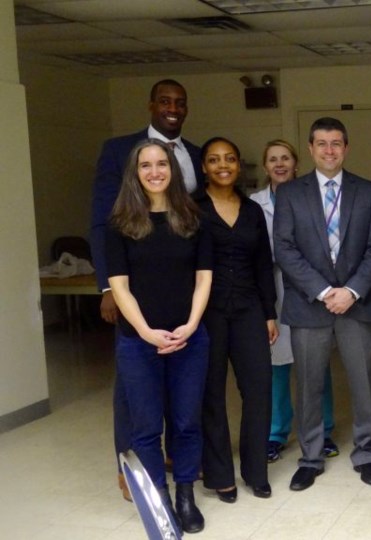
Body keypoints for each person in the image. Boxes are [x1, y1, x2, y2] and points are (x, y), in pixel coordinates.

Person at [90, 79, 203, 501]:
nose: (173, 108)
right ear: (151, 105)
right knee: (133, 396)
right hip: (132, 292)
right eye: (165, 101)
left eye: (180, 102)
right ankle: (130, 469)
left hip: (181, 290)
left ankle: (180, 468)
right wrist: (107, 286)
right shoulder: (120, 149)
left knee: (183, 395)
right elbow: (103, 222)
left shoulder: (193, 154)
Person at [274, 117, 371, 490]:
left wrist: (350, 291)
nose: (329, 150)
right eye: (321, 143)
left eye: (336, 143)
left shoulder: (368, 192)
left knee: (364, 382)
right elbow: (284, 249)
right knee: (307, 384)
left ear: (347, 147)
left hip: (358, 303)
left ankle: (366, 452)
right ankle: (310, 457)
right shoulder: (290, 193)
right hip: (309, 305)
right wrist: (324, 291)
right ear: (310, 148)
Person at [106, 139, 211, 534]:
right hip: (138, 344)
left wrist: (190, 324)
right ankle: (160, 501)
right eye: (145, 165)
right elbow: (120, 287)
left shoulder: (193, 219)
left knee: (185, 423)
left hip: (189, 339)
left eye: (161, 164)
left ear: (173, 169)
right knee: (146, 429)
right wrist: (147, 333)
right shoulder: (119, 224)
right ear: (135, 173)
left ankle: (185, 495)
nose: (154, 172)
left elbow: (204, 280)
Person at [194, 137, 275, 502]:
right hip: (205, 313)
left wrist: (269, 314)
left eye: (229, 158)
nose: (222, 165)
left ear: (239, 165)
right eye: (214, 160)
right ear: (203, 167)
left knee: (258, 390)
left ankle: (256, 471)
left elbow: (263, 266)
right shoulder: (191, 207)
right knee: (210, 394)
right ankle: (219, 475)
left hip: (248, 310)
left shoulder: (252, 210)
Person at [250, 140, 339, 465]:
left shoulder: (313, 194)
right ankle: (276, 432)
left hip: (309, 288)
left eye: (285, 158)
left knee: (316, 364)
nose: (279, 164)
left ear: (297, 162)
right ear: (265, 166)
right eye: (272, 159)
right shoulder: (255, 203)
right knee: (277, 365)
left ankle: (324, 429)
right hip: (272, 288)